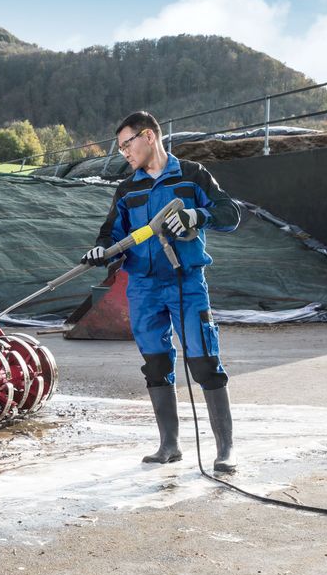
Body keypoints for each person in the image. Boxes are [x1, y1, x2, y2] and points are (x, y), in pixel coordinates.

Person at [82, 111, 240, 472]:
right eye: (120, 147)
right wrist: (100, 251)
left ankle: (225, 449)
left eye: (127, 143)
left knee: (203, 359)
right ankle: (169, 445)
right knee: (155, 363)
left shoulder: (192, 175)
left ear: (149, 137)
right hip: (143, 286)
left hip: (186, 282)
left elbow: (230, 213)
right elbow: (110, 235)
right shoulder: (128, 189)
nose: (124, 152)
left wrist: (197, 216)